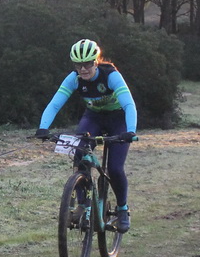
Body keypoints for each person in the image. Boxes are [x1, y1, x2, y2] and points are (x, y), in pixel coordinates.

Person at [34, 38, 137, 232]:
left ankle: (123, 209)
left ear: (96, 61)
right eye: (78, 65)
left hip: (118, 119)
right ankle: (82, 204)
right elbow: (55, 104)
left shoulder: (111, 75)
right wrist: (43, 128)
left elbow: (128, 104)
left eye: (87, 64)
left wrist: (130, 130)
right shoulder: (73, 78)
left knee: (115, 168)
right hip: (94, 117)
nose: (83, 69)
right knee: (80, 155)